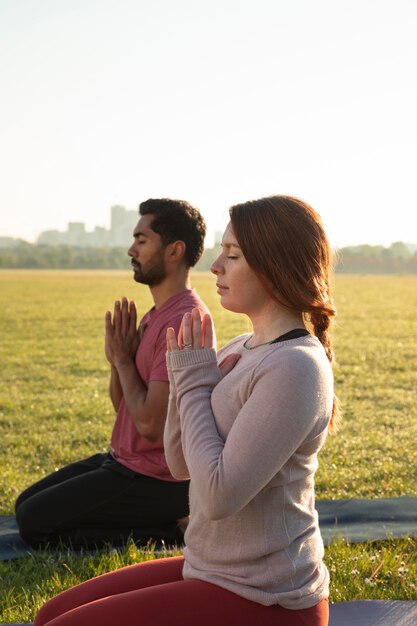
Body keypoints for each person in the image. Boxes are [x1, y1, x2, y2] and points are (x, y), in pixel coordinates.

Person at [34, 195, 339, 626]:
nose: (215, 266)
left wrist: (194, 381)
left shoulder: (296, 367)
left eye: (232, 255)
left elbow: (216, 498)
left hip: (265, 598)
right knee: (51, 613)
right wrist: (182, 379)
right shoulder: (240, 348)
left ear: (274, 266)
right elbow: (181, 464)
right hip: (210, 569)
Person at [15, 198, 213, 549]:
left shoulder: (182, 321)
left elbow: (151, 427)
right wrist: (116, 361)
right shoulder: (156, 314)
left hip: (157, 478)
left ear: (174, 250)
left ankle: (172, 530)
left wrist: (124, 361)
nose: (130, 250)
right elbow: (123, 407)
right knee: (24, 506)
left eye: (141, 240)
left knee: (36, 525)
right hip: (124, 461)